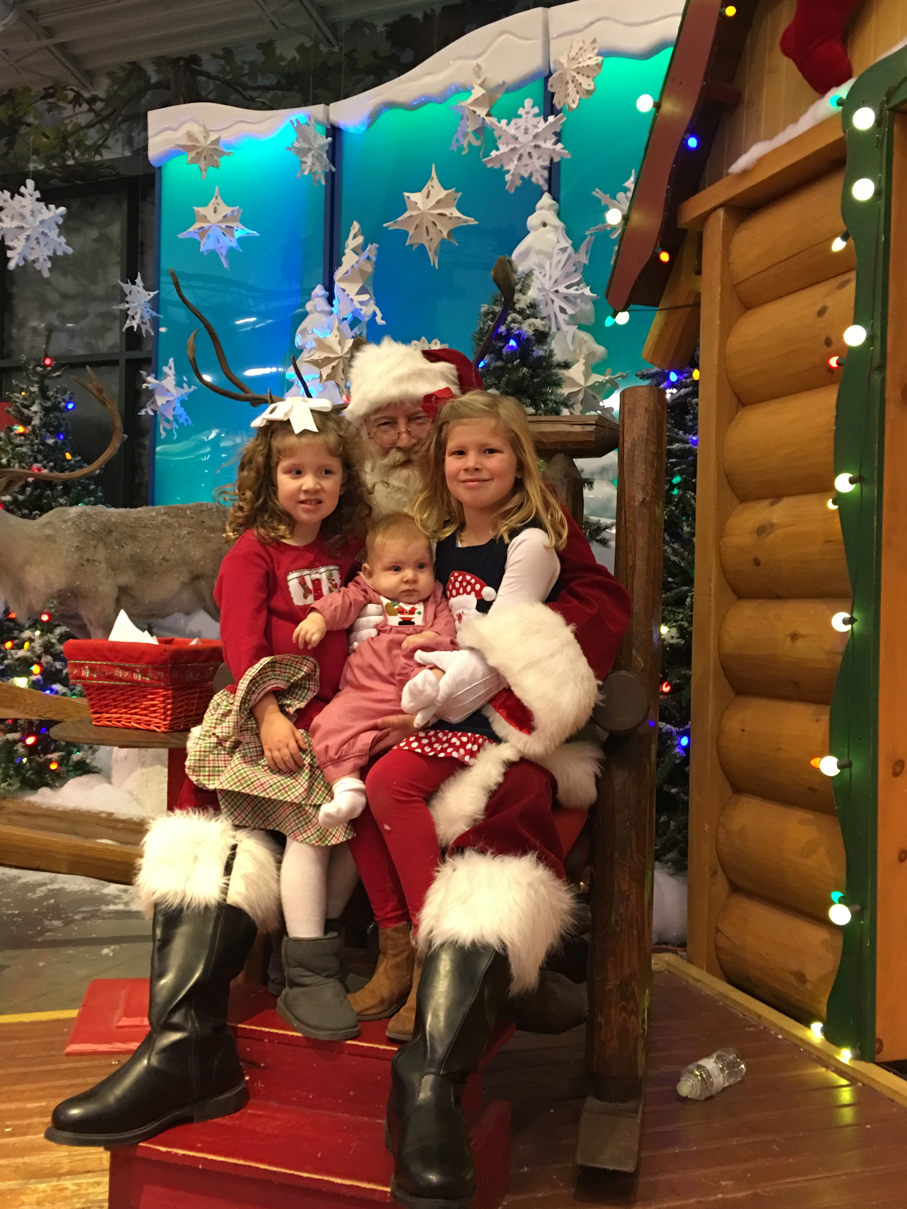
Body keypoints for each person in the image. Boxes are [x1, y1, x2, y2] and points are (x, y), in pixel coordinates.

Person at [343, 339, 633, 1209]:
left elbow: (556, 622)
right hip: (417, 709)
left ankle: (431, 1069)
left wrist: (475, 677)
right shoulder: (424, 540)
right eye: (454, 450)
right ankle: (401, 953)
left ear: (517, 460)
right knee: (358, 780)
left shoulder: (535, 541)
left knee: (495, 811)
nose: (467, 463)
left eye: (487, 450)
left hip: (507, 726)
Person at [45, 400, 374, 1148]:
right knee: (211, 840)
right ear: (269, 479)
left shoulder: (352, 547)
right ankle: (184, 1044)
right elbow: (244, 644)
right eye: (295, 471)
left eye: (326, 472)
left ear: (345, 479)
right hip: (269, 713)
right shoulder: (252, 554)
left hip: (344, 718)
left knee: (337, 819)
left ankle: (288, 977)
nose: (311, 485)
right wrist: (269, 716)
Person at [296, 511, 458, 830]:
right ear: (370, 573)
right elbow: (342, 602)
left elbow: (449, 632)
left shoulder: (435, 597)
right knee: (326, 725)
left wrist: (431, 638)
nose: (410, 578)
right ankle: (347, 787)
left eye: (420, 566)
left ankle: (423, 692)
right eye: (396, 569)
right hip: (365, 692)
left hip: (412, 688)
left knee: (434, 672)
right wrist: (318, 618)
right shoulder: (366, 591)